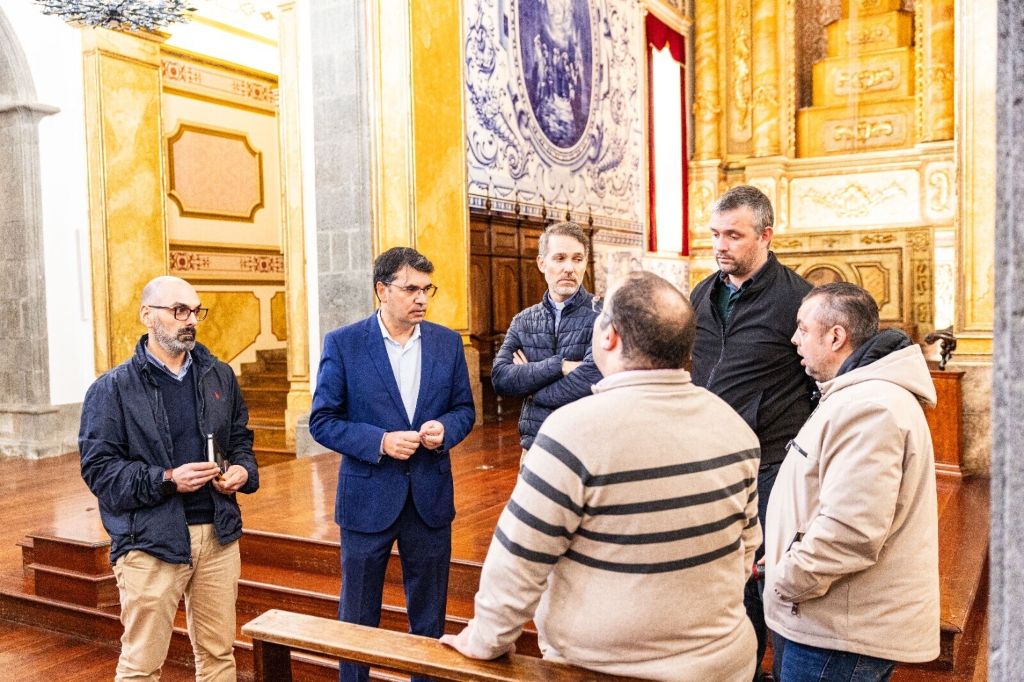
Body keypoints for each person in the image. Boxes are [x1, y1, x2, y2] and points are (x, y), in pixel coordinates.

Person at [442, 271, 762, 681]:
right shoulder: (732, 425)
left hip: (604, 669)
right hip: (723, 663)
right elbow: (746, 547)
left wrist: (487, 639)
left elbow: (520, 558)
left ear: (608, 337)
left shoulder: (574, 431)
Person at [79, 276, 259, 682]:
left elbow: (240, 440)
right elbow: (100, 471)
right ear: (148, 315)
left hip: (218, 535)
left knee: (218, 655)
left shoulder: (219, 375)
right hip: (150, 540)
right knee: (141, 666)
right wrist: (168, 479)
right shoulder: (112, 389)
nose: (190, 319)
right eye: (179, 310)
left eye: (195, 311)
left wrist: (242, 470)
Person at [308, 247, 476, 682]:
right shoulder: (344, 343)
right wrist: (379, 441)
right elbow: (322, 421)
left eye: (427, 290)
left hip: (429, 500)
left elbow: (464, 410)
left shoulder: (447, 342)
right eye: (410, 289)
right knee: (358, 616)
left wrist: (445, 430)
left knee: (429, 618)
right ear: (382, 290)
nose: (421, 298)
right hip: (368, 499)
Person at [765, 282, 939, 681]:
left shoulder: (870, 407)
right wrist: (782, 550)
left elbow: (851, 530)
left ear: (836, 336)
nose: (794, 339)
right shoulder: (855, 395)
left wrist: (786, 578)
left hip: (840, 633)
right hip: (832, 618)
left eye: (803, 329)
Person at [689, 185, 815, 677]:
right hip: (707, 459)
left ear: (766, 235)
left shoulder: (798, 300)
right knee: (717, 572)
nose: (720, 245)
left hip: (769, 463)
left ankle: (771, 668)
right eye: (715, 234)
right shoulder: (703, 293)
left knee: (764, 578)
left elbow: (820, 383)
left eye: (734, 235)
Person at [491, 221, 602, 455]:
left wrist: (532, 390)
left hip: (586, 447)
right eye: (559, 258)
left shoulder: (602, 316)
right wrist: (560, 366)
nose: (569, 268)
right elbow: (501, 378)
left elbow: (592, 378)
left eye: (577, 259)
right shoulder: (524, 321)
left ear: (585, 264)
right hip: (535, 446)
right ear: (542, 263)